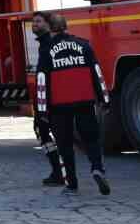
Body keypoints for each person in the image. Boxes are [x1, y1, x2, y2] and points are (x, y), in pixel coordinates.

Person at [35, 13, 110, 197]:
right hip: (84, 100)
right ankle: (97, 168)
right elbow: (97, 73)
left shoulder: (47, 49)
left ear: (50, 28)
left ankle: (72, 184)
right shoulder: (84, 45)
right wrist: (104, 99)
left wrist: (42, 110)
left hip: (59, 105)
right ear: (66, 25)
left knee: (64, 144)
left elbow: (42, 80)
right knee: (91, 138)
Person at [29, 12, 67, 187]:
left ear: (48, 24)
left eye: (38, 21)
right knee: (47, 133)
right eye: (33, 21)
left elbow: (47, 76)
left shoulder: (47, 44)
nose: (34, 24)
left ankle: (59, 173)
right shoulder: (46, 43)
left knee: (45, 133)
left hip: (50, 100)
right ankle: (61, 172)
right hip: (51, 98)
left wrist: (43, 105)